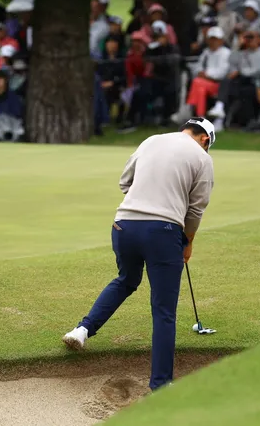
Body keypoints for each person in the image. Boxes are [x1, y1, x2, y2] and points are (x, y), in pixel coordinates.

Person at [62, 117, 215, 392]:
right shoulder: (202, 158)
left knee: (126, 280)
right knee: (164, 310)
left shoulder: (151, 140)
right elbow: (196, 209)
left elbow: (125, 183)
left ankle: (81, 331)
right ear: (205, 140)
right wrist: (188, 242)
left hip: (123, 226)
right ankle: (161, 384)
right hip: (163, 232)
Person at [215, 25, 260, 128]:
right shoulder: (243, 52)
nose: (249, 40)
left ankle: (246, 121)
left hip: (256, 82)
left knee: (243, 90)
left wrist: (240, 71)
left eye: (252, 37)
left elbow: (257, 71)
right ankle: (219, 111)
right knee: (227, 82)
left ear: (259, 39)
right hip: (242, 80)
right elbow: (231, 61)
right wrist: (238, 46)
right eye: (247, 37)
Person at [186, 26, 231, 124]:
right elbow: (198, 67)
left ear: (221, 40)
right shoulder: (206, 52)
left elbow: (222, 72)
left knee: (197, 82)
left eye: (216, 39)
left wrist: (206, 75)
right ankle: (201, 116)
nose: (213, 42)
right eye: (211, 39)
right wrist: (201, 73)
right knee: (200, 89)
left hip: (218, 84)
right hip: (203, 83)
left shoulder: (226, 53)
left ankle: (190, 109)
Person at [144, 21, 180, 126]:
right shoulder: (152, 48)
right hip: (156, 78)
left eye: (161, 36)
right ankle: (150, 115)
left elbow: (172, 60)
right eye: (156, 37)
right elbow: (146, 58)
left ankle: (167, 118)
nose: (159, 39)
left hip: (170, 79)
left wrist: (158, 60)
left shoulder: (173, 48)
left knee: (170, 93)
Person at [98, 36, 126, 119]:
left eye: (113, 42)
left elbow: (124, 76)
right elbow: (99, 73)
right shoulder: (101, 59)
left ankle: (115, 117)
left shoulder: (122, 58)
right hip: (102, 84)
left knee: (112, 92)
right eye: (109, 43)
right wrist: (102, 82)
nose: (111, 45)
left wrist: (113, 82)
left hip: (118, 84)